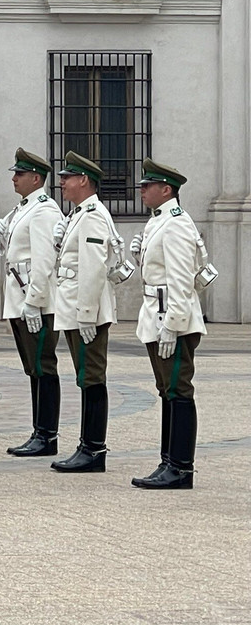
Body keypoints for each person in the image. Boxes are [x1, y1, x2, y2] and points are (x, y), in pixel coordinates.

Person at [130, 158, 207, 490]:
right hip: (157, 313)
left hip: (170, 316)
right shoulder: (158, 220)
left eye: (148, 186)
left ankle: (181, 467)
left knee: (178, 390)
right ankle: (168, 461)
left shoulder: (175, 223)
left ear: (166, 189)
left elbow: (179, 280)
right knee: (167, 391)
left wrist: (173, 324)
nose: (142, 190)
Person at [0, 148, 63, 457]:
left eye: (19, 174)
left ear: (36, 178)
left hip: (36, 302)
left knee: (43, 366)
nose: (13, 178)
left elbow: (45, 260)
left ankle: (47, 435)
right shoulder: (23, 208)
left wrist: (35, 301)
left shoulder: (44, 210)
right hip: (20, 298)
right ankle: (39, 430)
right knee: (33, 367)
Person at [50, 151, 117, 473]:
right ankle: (88, 446)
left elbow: (93, 268)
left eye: (67, 177)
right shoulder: (79, 213)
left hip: (85, 310)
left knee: (91, 377)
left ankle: (93, 448)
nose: (61, 182)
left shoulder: (91, 215)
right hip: (77, 307)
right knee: (85, 377)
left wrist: (87, 313)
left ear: (84, 181)